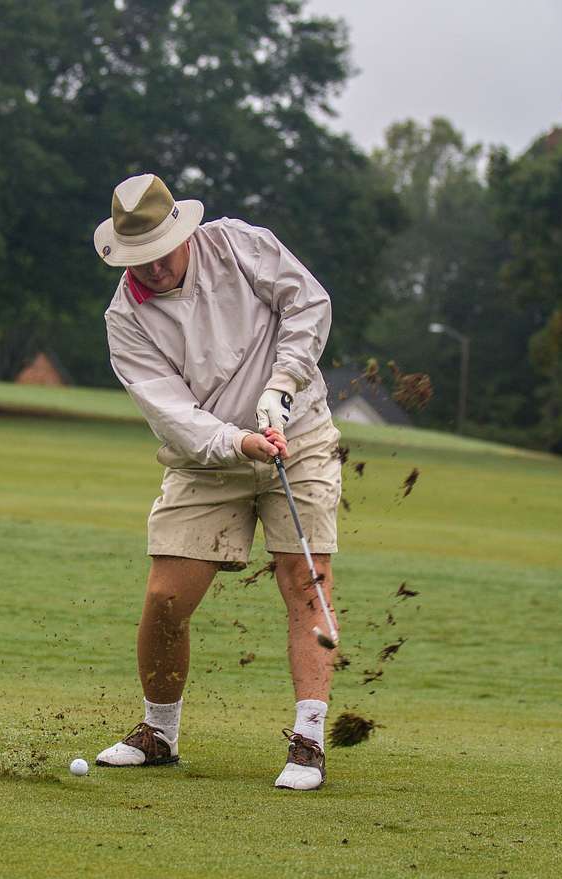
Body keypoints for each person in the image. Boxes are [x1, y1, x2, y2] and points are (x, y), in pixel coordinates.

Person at [91, 173, 342, 790]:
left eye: (158, 253)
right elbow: (172, 414)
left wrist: (283, 386)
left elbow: (308, 303)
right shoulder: (125, 319)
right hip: (209, 456)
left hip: (299, 433)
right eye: (137, 259)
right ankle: (159, 734)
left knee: (304, 580)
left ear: (182, 233)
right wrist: (240, 442)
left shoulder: (236, 245)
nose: (149, 269)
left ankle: (308, 742)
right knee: (166, 597)